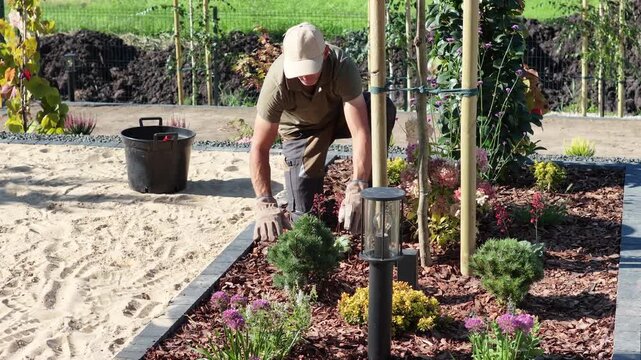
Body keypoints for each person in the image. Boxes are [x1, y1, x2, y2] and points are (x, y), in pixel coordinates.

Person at [250, 22, 396, 241]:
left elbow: (360, 131)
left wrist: (359, 184)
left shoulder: (341, 65)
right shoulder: (276, 83)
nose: (305, 77)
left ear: (325, 53)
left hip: (338, 117)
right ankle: (303, 201)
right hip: (302, 131)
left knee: (381, 109)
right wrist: (264, 200)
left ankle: (372, 195)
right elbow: (259, 147)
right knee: (304, 217)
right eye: (299, 70)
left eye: (311, 68)